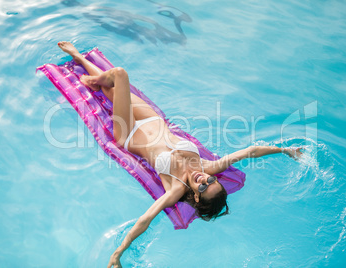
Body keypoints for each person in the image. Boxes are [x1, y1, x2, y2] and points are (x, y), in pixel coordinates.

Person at [57, 41, 302, 268]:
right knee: (111, 89)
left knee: (119, 75)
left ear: (195, 197)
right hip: (152, 118)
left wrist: (118, 253)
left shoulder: (175, 188)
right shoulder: (209, 167)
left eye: (204, 187)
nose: (205, 180)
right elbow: (249, 152)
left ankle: (80, 60)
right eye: (212, 181)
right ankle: (91, 73)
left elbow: (145, 220)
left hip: (129, 133)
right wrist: (285, 150)